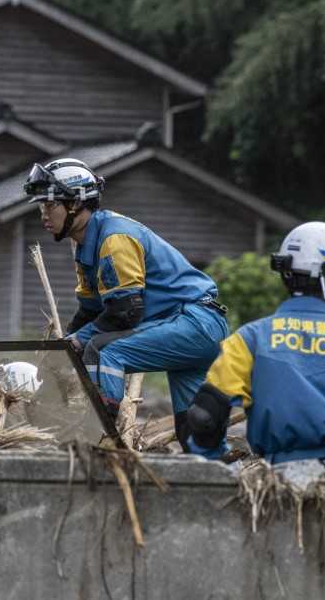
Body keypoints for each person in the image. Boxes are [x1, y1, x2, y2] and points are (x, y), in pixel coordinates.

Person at [184, 221, 325, 560]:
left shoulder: (249, 340)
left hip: (276, 491)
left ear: (287, 275)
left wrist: (212, 469)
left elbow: (205, 418)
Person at [23, 157, 229, 447]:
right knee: (195, 431)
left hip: (194, 322)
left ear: (77, 203)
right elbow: (92, 311)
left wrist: (78, 343)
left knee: (103, 350)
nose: (43, 214)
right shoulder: (85, 245)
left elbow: (125, 312)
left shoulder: (114, 238)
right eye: (41, 206)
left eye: (50, 204)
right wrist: (63, 345)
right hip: (186, 326)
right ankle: (214, 469)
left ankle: (100, 440)